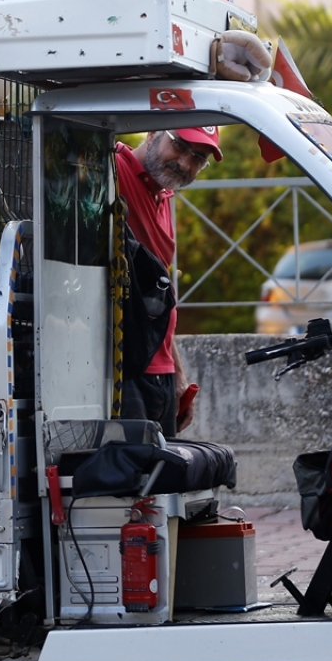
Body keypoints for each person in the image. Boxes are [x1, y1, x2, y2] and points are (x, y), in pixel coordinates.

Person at [115, 126, 222, 438]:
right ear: (150, 133)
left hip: (160, 373)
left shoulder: (162, 196)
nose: (185, 164)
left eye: (198, 159)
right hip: (127, 369)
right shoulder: (115, 169)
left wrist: (177, 373)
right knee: (134, 479)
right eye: (179, 145)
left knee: (162, 481)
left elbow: (159, 301)